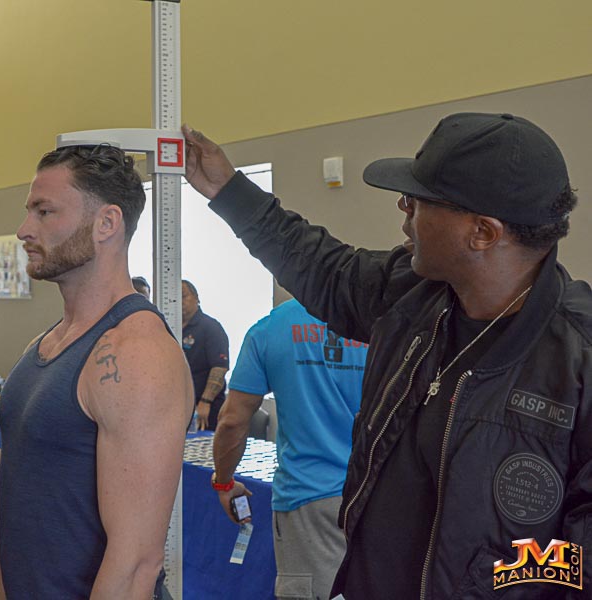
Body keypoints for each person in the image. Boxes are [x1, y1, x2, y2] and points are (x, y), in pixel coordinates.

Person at [182, 113, 590, 599]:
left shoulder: (577, 360)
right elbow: (323, 267)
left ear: (483, 232)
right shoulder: (415, 296)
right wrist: (228, 189)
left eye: (420, 200)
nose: (403, 207)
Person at [0, 145, 193, 600]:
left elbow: (135, 565)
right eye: (29, 211)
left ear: (106, 223)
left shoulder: (137, 353)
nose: (24, 230)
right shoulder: (44, 344)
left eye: (44, 212)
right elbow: (19, 511)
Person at [212, 299, 369, 600]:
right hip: (377, 494)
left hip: (309, 499)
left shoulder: (272, 328)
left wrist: (224, 482)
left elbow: (233, 421)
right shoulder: (380, 321)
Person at [181, 279, 229, 430]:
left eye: (183, 296)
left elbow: (219, 368)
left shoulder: (210, 327)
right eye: (175, 297)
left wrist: (205, 401)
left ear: (196, 298)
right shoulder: (169, 327)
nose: (179, 302)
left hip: (205, 408)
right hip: (179, 406)